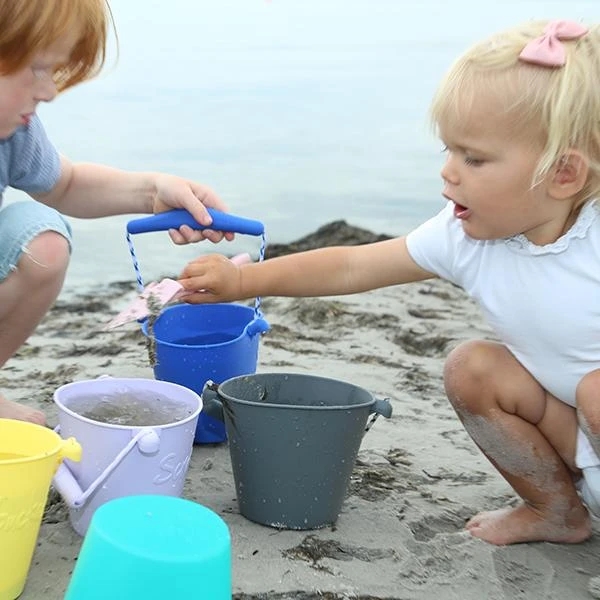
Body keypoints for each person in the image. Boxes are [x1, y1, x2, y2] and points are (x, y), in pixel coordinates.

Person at [178, 19, 600, 546]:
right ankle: (556, 508)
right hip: (577, 440)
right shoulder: (464, 238)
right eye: (448, 150)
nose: (449, 172)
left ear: (564, 175)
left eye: (474, 158)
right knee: (473, 367)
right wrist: (243, 280)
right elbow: (352, 266)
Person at [0, 0, 232, 426]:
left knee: (43, 242)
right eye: (37, 68)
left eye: (55, 71)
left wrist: (152, 192)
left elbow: (66, 185)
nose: (49, 91)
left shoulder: (13, 131)